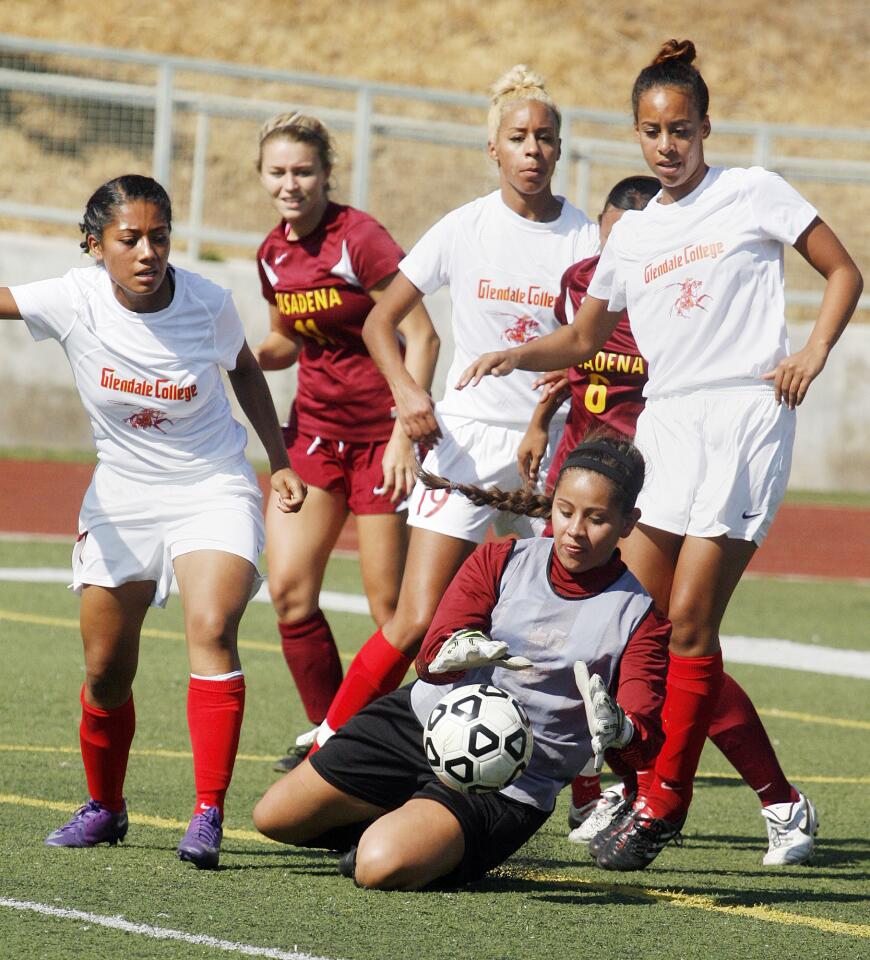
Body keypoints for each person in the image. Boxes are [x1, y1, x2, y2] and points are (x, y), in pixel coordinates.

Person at [458, 39, 863, 871]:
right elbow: (583, 335)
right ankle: (665, 790)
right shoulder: (635, 233)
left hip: (747, 416)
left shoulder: (753, 191)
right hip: (668, 427)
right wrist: (517, 355)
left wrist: (812, 354)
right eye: (651, 131)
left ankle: (663, 805)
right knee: (626, 614)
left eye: (680, 128)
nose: (666, 145)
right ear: (636, 135)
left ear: (705, 126)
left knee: (689, 623)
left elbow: (843, 272)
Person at [0, 174, 307, 870]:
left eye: (159, 237)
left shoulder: (207, 302)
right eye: (129, 238)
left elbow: (245, 371)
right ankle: (105, 807)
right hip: (123, 496)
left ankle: (207, 813)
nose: (147, 252)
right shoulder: (71, 300)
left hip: (213, 485)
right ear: (94, 245)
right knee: (106, 670)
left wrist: (278, 460)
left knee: (212, 628)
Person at [522, 176, 824, 862]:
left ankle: (697, 800)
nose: (614, 248)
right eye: (606, 235)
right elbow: (570, 355)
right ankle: (626, 794)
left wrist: (810, 351)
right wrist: (536, 407)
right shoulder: (598, 278)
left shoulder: (701, 280)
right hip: (607, 486)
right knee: (626, 631)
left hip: (680, 466)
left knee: (680, 630)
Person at [308, 65, 600, 750]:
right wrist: (408, 398)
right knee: (416, 620)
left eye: (545, 138)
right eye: (519, 137)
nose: (533, 149)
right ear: (492, 149)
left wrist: (538, 421)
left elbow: (589, 346)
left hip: (550, 451)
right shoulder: (464, 227)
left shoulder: (587, 239)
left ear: (560, 150)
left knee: (570, 627)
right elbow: (383, 324)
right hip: (464, 445)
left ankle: (587, 789)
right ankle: (328, 743)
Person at [253, 435, 670, 889]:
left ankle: (407, 835)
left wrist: (622, 730)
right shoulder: (503, 557)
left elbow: (644, 742)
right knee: (273, 817)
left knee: (376, 867)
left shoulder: (640, 618)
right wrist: (454, 652)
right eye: (565, 511)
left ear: (629, 523)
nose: (574, 531)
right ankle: (408, 820)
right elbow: (429, 663)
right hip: (424, 721)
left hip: (510, 778)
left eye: (597, 520)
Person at [252, 112, 439, 772]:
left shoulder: (359, 238)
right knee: (289, 592)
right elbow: (283, 341)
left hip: (379, 444)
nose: (291, 183)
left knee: (392, 610)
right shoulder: (272, 252)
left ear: (327, 175)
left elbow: (422, 335)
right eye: (278, 172)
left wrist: (402, 436)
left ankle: (408, 732)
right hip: (313, 438)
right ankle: (331, 732)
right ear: (263, 177)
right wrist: (233, 356)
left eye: (303, 171)